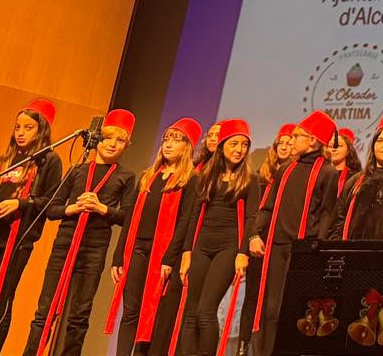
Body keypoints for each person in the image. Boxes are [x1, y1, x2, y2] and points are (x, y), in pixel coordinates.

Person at [23, 108, 136, 356]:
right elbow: (52, 209)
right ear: (98, 139)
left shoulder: (126, 176)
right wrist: (73, 208)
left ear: (126, 145)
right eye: (108, 137)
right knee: (44, 312)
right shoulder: (77, 169)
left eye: (120, 140)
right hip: (65, 242)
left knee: (79, 315)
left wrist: (101, 208)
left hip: (94, 248)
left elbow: (127, 217)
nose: (112, 144)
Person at [107, 117, 201, 356]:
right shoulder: (148, 176)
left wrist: (169, 258)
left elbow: (184, 222)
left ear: (187, 147)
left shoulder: (190, 180)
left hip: (162, 253)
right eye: (166, 139)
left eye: (176, 140)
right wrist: (119, 256)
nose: (168, 144)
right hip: (137, 248)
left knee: (150, 312)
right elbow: (130, 220)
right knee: (130, 310)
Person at [248, 111, 337, 356]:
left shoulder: (327, 172)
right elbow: (268, 206)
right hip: (276, 246)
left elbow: (327, 213)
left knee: (292, 307)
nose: (292, 139)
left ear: (312, 140)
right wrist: (255, 234)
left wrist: (316, 245)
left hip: (302, 249)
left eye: (297, 136)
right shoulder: (286, 169)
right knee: (270, 309)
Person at [178, 120, 262, 356]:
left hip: (228, 247)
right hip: (202, 245)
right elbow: (194, 216)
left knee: (206, 311)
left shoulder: (250, 180)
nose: (239, 149)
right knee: (191, 312)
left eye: (244, 145)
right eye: (234, 144)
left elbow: (251, 218)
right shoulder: (205, 176)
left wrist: (242, 253)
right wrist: (187, 252)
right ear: (223, 145)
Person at [0, 100, 65, 356]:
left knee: (2, 300)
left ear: (41, 129)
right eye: (17, 127)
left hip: (17, 240)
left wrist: (20, 203)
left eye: (28, 127)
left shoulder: (49, 161)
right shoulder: (7, 158)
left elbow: (50, 201)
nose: (21, 133)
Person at [238, 125, 293, 354]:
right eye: (281, 143)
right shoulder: (261, 177)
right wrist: (252, 236)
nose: (284, 147)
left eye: (290, 143)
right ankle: (243, 346)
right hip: (258, 241)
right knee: (252, 296)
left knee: (273, 302)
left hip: (279, 243)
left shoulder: (296, 179)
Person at [322, 129, 360, 214]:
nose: (334, 149)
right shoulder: (320, 175)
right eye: (330, 146)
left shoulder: (355, 178)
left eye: (339, 146)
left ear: (348, 149)